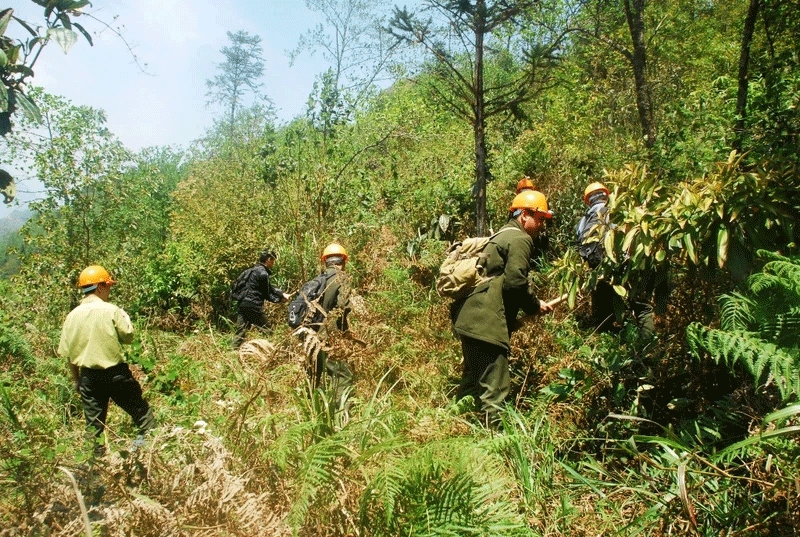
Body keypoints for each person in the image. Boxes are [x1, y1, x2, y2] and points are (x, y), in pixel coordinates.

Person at [451, 190, 555, 420]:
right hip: (486, 323)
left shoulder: (500, 235)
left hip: (468, 318)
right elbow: (515, 283)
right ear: (525, 215)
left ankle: (453, 432)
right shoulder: (520, 238)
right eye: (540, 219)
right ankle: (494, 449)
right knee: (495, 390)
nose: (541, 226)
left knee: (471, 384)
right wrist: (535, 305)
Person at [58, 265, 154, 455]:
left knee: (94, 429)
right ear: (100, 286)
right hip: (116, 374)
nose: (109, 291)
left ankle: (95, 471)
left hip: (89, 378)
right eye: (108, 286)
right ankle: (146, 456)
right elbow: (128, 337)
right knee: (143, 416)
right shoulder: (111, 310)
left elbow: (69, 356)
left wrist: (77, 380)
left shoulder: (72, 316)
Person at [575, 182, 655, 338]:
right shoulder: (618, 211)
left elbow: (580, 248)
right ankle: (647, 348)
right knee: (641, 308)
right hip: (625, 266)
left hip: (598, 272)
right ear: (606, 195)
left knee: (602, 315)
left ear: (588, 200)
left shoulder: (583, 222)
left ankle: (605, 347)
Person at [302, 243, 354, 401]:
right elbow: (342, 307)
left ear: (326, 261)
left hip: (309, 335)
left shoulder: (318, 280)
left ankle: (309, 412)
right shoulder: (343, 278)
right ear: (343, 261)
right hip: (329, 335)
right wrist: (344, 332)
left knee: (313, 375)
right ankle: (342, 418)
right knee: (342, 375)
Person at [232, 249, 290, 349]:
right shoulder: (263, 274)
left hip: (242, 304)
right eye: (273, 260)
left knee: (241, 331)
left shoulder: (252, 271)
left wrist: (281, 294)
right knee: (267, 330)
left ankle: (233, 351)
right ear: (268, 260)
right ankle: (275, 350)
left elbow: (270, 289)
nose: (273, 263)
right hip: (253, 305)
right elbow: (267, 294)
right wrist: (280, 300)